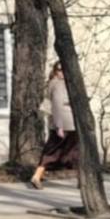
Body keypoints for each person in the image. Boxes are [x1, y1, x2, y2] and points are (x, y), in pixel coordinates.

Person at [29, 62, 78, 190]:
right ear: (55, 71)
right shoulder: (57, 84)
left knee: (66, 152)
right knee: (56, 151)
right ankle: (36, 176)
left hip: (68, 124)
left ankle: (37, 176)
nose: (62, 72)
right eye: (60, 69)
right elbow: (56, 106)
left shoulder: (58, 83)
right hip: (65, 124)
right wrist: (59, 126)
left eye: (64, 69)